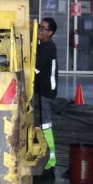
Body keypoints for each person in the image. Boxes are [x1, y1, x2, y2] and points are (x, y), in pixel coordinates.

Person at [34, 16, 58, 174]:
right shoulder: (43, 45)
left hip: (46, 91)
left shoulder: (47, 47)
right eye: (39, 27)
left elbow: (34, 69)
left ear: (50, 32)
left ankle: (50, 160)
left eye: (42, 28)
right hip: (41, 89)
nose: (39, 31)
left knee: (46, 124)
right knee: (40, 123)